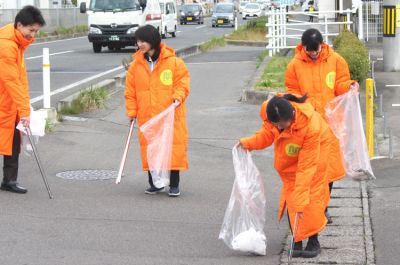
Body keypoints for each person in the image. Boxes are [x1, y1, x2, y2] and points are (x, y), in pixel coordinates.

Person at [239, 94, 334, 258]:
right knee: (292, 197)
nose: (282, 127)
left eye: (284, 123)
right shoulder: (272, 114)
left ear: (291, 115)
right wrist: (248, 143)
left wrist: (302, 194)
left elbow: (307, 166)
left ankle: (313, 241)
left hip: (316, 159)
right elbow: (267, 134)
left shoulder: (311, 125)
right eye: (278, 125)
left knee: (310, 198)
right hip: (291, 163)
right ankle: (297, 240)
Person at [284, 28, 359, 223]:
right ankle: (311, 206)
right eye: (310, 51)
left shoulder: (335, 60)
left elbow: (340, 82)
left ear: (322, 45)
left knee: (328, 168)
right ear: (303, 48)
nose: (314, 54)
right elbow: (291, 90)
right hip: (307, 125)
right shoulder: (295, 65)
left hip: (330, 123)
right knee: (309, 167)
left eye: (316, 50)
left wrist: (349, 86)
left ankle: (323, 207)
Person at [124, 25, 190, 197]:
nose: (140, 44)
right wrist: (132, 112)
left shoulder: (174, 62)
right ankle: (154, 183)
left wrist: (178, 96)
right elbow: (130, 92)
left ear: (153, 41)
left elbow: (183, 83)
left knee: (172, 147)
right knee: (150, 148)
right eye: (138, 41)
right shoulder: (135, 66)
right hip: (148, 115)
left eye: (143, 41)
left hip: (170, 114)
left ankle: (174, 184)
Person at [0, 6, 46, 194]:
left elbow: (20, 81)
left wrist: (23, 107)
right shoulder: (6, 45)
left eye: (35, 31)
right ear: (19, 25)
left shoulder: (16, 42)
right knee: (7, 140)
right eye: (31, 30)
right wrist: (25, 110)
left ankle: (9, 181)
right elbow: (11, 81)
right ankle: (9, 180)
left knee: (12, 141)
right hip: (4, 100)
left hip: (9, 102)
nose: (32, 34)